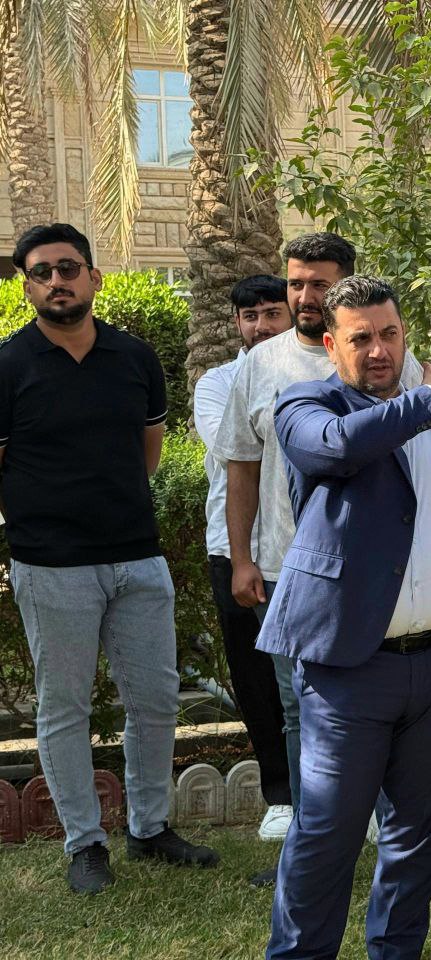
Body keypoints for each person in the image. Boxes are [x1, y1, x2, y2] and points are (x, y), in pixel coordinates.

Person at [260, 275, 431, 960]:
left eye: (389, 334)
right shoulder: (305, 405)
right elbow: (336, 448)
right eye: (360, 338)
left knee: (417, 836)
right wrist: (429, 400)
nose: (378, 350)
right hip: (349, 669)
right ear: (331, 345)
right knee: (326, 834)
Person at [0, 223, 219, 894]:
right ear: (27, 287)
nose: (56, 280)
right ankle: (85, 844)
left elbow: (147, 453)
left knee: (154, 699)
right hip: (51, 565)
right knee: (64, 707)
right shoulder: (8, 365)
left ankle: (150, 829)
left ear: (94, 277)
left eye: (68, 267)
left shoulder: (135, 357)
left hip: (137, 558)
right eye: (41, 272)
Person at [213, 233, 422, 882]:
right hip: (286, 573)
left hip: (378, 575)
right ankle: (312, 853)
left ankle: (394, 841)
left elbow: (421, 461)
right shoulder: (261, 364)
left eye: (318, 283)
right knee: (300, 712)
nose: (304, 295)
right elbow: (241, 467)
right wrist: (242, 558)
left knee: (382, 708)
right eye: (295, 282)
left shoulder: (393, 361)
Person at [192, 275, 293, 847]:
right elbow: (237, 446)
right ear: (237, 323)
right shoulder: (217, 383)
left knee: (321, 682)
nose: (261, 325)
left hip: (300, 548)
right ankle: (281, 796)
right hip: (235, 551)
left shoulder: (319, 369)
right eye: (250, 316)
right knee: (256, 680)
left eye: (272, 313)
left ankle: (350, 795)